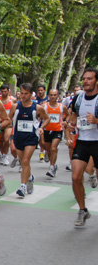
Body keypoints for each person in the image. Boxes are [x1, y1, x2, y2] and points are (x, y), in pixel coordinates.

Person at [66, 69, 98, 227]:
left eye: (89, 79)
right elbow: (73, 115)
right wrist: (71, 126)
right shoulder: (78, 98)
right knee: (75, 177)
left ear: (96, 81)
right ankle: (83, 209)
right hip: (83, 142)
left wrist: (96, 121)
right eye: (84, 79)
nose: (86, 81)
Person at [9, 83, 49, 198]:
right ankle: (30, 177)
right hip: (18, 137)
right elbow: (8, 119)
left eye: (26, 94)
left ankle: (22, 186)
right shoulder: (15, 106)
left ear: (31, 94)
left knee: (26, 161)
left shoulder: (37, 108)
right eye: (22, 93)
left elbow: (47, 119)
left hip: (31, 138)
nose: (23, 96)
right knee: (23, 162)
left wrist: (41, 128)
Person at [42, 89, 68, 177]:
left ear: (58, 96)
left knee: (53, 148)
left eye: (55, 95)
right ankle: (53, 164)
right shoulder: (44, 106)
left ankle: (52, 167)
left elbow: (68, 115)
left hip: (57, 130)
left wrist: (66, 122)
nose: (53, 97)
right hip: (47, 130)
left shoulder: (62, 107)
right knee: (49, 150)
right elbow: (38, 115)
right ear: (48, 96)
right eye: (51, 95)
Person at [0, 84, 16, 166]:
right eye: (2, 92)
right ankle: (3, 155)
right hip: (0, 123)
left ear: (8, 91)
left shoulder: (12, 100)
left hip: (9, 123)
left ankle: (5, 155)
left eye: (5, 91)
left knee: (6, 140)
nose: (4, 93)